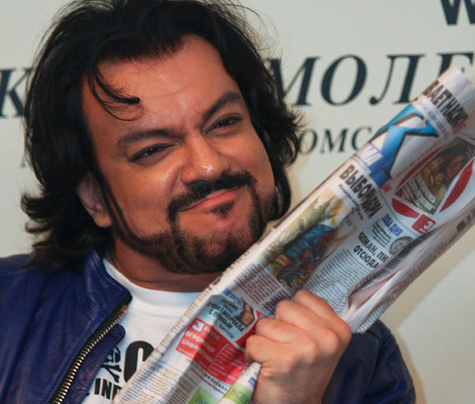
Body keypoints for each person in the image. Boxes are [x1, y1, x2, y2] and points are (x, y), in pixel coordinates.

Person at [0, 0, 415, 403]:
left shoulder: (359, 356)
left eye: (224, 123)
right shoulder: (9, 310)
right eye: (153, 149)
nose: (208, 165)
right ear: (95, 198)